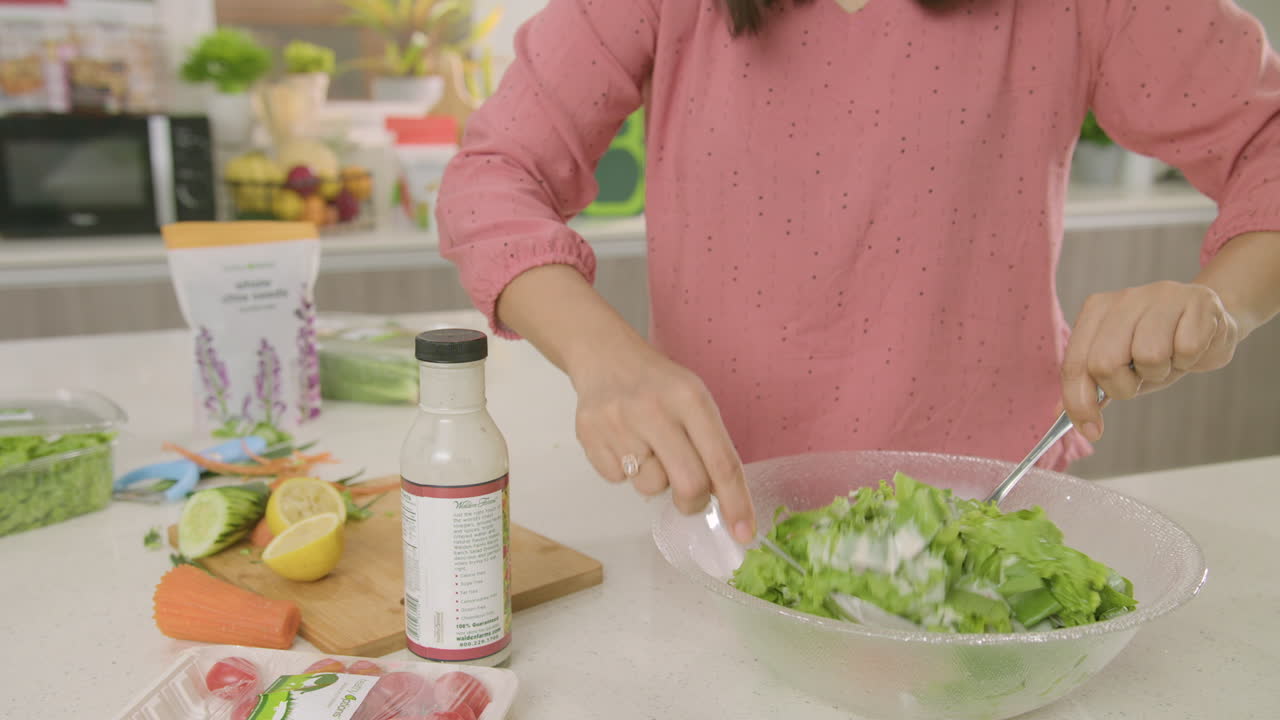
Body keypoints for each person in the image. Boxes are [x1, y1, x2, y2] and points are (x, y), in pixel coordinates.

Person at [437, 0, 1280, 543]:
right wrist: (604, 361)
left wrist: (1222, 305)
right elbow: (493, 175)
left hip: (992, 516)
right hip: (722, 523)